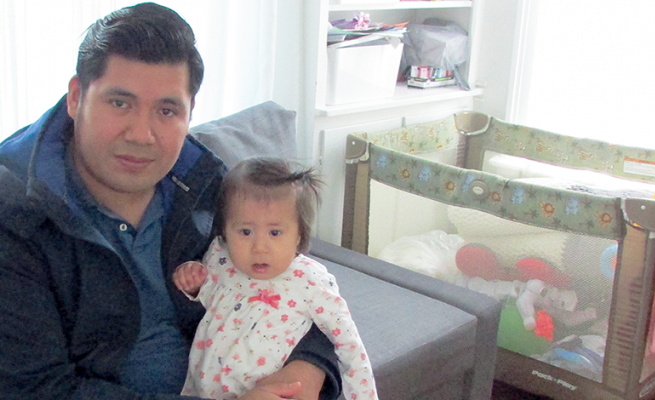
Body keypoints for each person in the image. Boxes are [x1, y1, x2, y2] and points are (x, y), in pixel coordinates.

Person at [0, 3, 340, 399]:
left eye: (166, 110)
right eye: (120, 103)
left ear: (190, 112)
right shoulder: (16, 216)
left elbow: (289, 276)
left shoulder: (203, 183)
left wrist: (309, 366)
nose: (142, 134)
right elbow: (35, 389)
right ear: (77, 97)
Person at [173, 158, 377, 400]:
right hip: (205, 392)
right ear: (224, 230)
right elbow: (213, 303)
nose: (260, 247)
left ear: (299, 234)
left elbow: (349, 345)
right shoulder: (220, 257)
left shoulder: (310, 280)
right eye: (245, 231)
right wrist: (195, 286)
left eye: (275, 232)